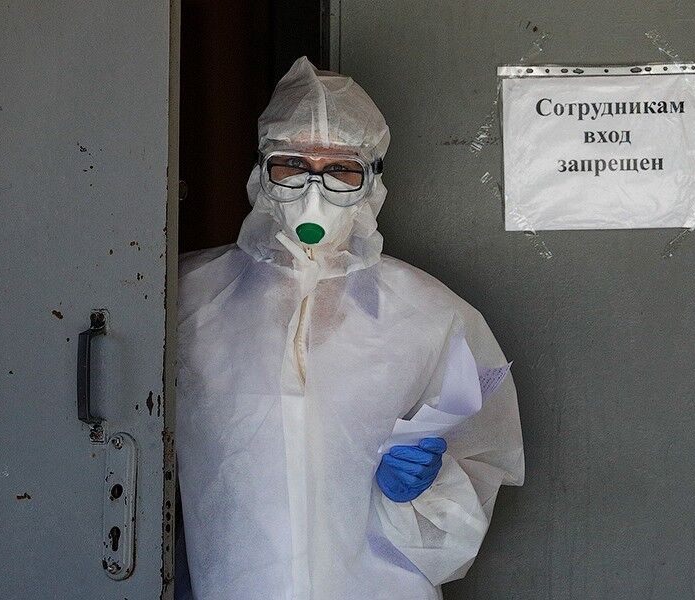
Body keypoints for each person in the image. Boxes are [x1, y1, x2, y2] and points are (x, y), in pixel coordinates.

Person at [176, 56, 524, 600]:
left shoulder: (432, 316)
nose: (314, 190)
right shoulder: (188, 299)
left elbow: (480, 464)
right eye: (292, 165)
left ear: (372, 180)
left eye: (341, 169)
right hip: (233, 582)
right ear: (261, 171)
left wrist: (426, 490)